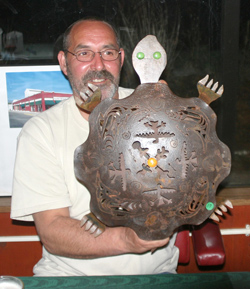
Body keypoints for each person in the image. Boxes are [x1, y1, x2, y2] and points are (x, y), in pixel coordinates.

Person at [11, 18, 179, 276]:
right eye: (84, 53)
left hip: (158, 276)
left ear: (122, 59)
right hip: (70, 278)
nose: (98, 65)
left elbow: (188, 176)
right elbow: (53, 231)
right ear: (64, 63)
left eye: (108, 53)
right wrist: (127, 240)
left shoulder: (156, 111)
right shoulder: (41, 132)